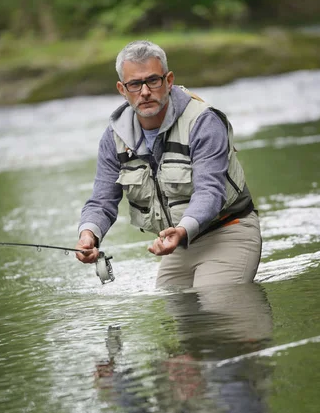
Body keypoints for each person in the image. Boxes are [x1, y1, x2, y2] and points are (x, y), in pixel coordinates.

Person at [76, 40, 261, 287]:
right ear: (122, 88)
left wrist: (181, 231)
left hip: (229, 229)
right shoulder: (113, 138)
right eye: (134, 84)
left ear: (169, 80)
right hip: (180, 245)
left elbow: (210, 192)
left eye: (153, 80)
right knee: (178, 306)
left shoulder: (203, 122)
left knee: (215, 301)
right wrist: (89, 235)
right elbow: (101, 201)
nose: (144, 92)